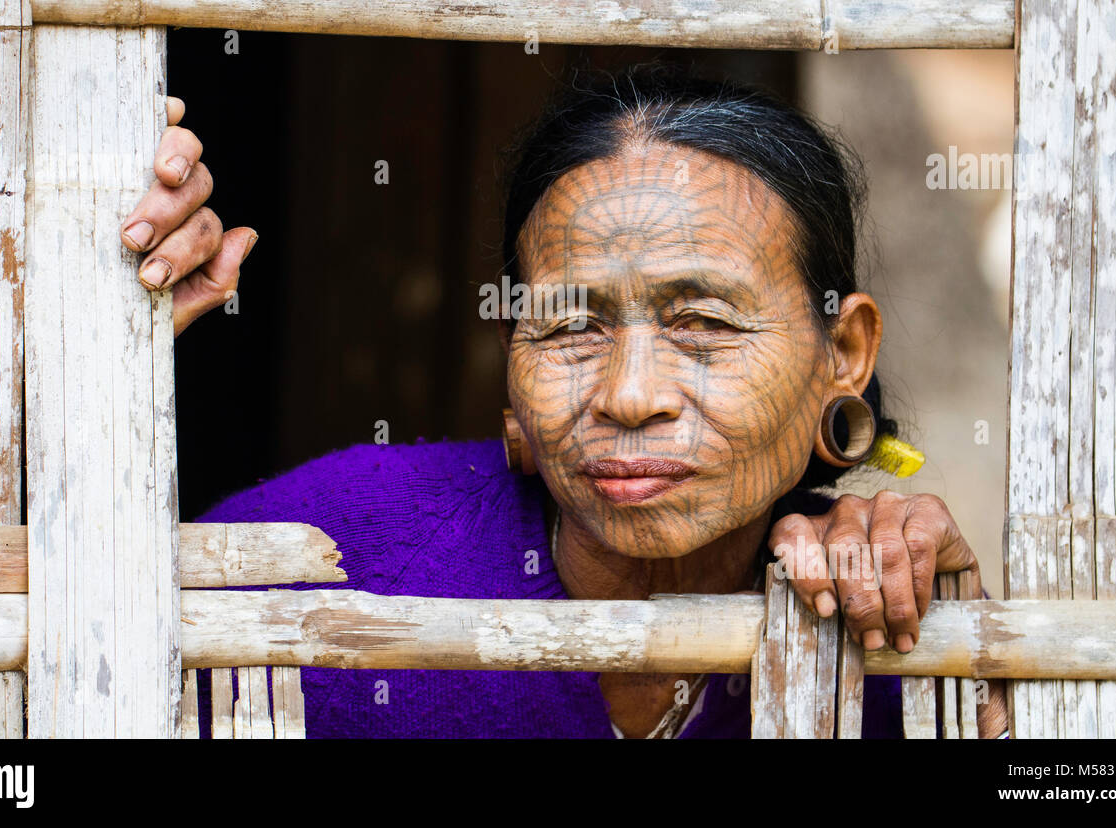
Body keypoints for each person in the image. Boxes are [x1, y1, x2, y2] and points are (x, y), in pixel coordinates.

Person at [120, 62, 1007, 738]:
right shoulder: (336, 548)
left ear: (842, 352)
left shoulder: (885, 623)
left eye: (702, 321)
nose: (628, 395)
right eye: (569, 326)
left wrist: (987, 683)